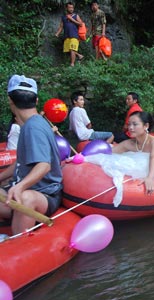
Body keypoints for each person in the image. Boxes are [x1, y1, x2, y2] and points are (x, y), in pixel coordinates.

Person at [0, 75, 63, 235]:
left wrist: (20, 186)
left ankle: (18, 243)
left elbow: (44, 165)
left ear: (10, 100)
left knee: (26, 198)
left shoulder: (33, 127)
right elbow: (21, 161)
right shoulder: (31, 123)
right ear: (36, 101)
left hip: (44, 194)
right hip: (22, 188)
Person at [112, 111, 154, 194]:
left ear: (146, 126)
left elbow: (153, 158)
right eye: (129, 124)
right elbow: (109, 154)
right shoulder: (129, 143)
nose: (130, 128)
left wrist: (150, 177)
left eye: (135, 124)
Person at [55, 2, 84, 67]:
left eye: (72, 8)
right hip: (66, 36)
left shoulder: (76, 16)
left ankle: (72, 64)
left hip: (74, 35)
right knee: (68, 50)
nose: (71, 9)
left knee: (72, 49)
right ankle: (79, 55)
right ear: (66, 8)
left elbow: (81, 24)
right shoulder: (63, 17)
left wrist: (71, 19)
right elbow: (61, 26)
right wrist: (57, 33)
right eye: (69, 7)